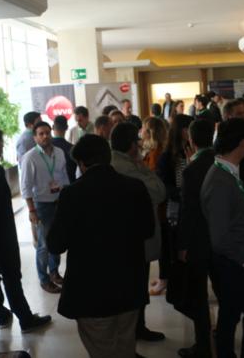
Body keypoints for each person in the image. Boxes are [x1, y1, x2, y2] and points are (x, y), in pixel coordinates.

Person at [47, 134, 154, 358]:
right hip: (129, 285)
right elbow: (148, 230)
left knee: (102, 349)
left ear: (81, 163)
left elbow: (55, 244)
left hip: (91, 292)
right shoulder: (135, 187)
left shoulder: (72, 194)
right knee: (125, 346)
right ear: (108, 157)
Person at [0, 128, 52, 333]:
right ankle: (25, 319)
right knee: (11, 277)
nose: (2, 147)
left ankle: (0, 315)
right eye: (1, 143)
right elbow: (0, 207)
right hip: (1, 235)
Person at [201, 118, 244, 358]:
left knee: (233, 314)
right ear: (241, 143)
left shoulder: (227, 172)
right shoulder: (219, 180)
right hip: (234, 261)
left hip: (235, 258)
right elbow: (220, 236)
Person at [110, 122, 167, 343]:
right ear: (132, 145)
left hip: (128, 237)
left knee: (135, 286)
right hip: (134, 238)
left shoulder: (121, 162)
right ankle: (135, 329)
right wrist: (143, 167)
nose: (141, 144)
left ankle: (136, 328)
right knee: (135, 287)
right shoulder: (125, 167)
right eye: (137, 141)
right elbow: (158, 191)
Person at [175, 119, 216, 358]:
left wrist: (182, 245)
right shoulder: (220, 163)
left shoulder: (191, 170)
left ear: (191, 140)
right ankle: (222, 338)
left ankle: (203, 345)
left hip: (198, 241)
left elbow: (188, 211)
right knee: (223, 291)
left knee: (199, 296)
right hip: (220, 238)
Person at [20, 121, 70, 293]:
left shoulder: (59, 152)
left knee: (56, 239)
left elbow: (64, 177)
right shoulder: (30, 157)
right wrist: (31, 210)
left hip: (59, 202)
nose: (45, 136)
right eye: (41, 134)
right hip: (41, 205)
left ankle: (54, 272)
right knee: (43, 245)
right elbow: (25, 187)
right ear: (35, 137)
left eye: (47, 132)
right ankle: (44, 279)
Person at [155, 114, 194, 296]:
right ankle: (172, 282)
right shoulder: (167, 156)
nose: (190, 133)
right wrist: (181, 194)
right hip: (174, 210)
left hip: (191, 208)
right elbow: (165, 185)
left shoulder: (193, 151)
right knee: (172, 247)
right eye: (187, 129)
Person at [52, 115, 77, 183]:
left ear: (53, 127)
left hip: (51, 185)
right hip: (69, 184)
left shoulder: (46, 147)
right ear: (67, 127)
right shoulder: (72, 148)